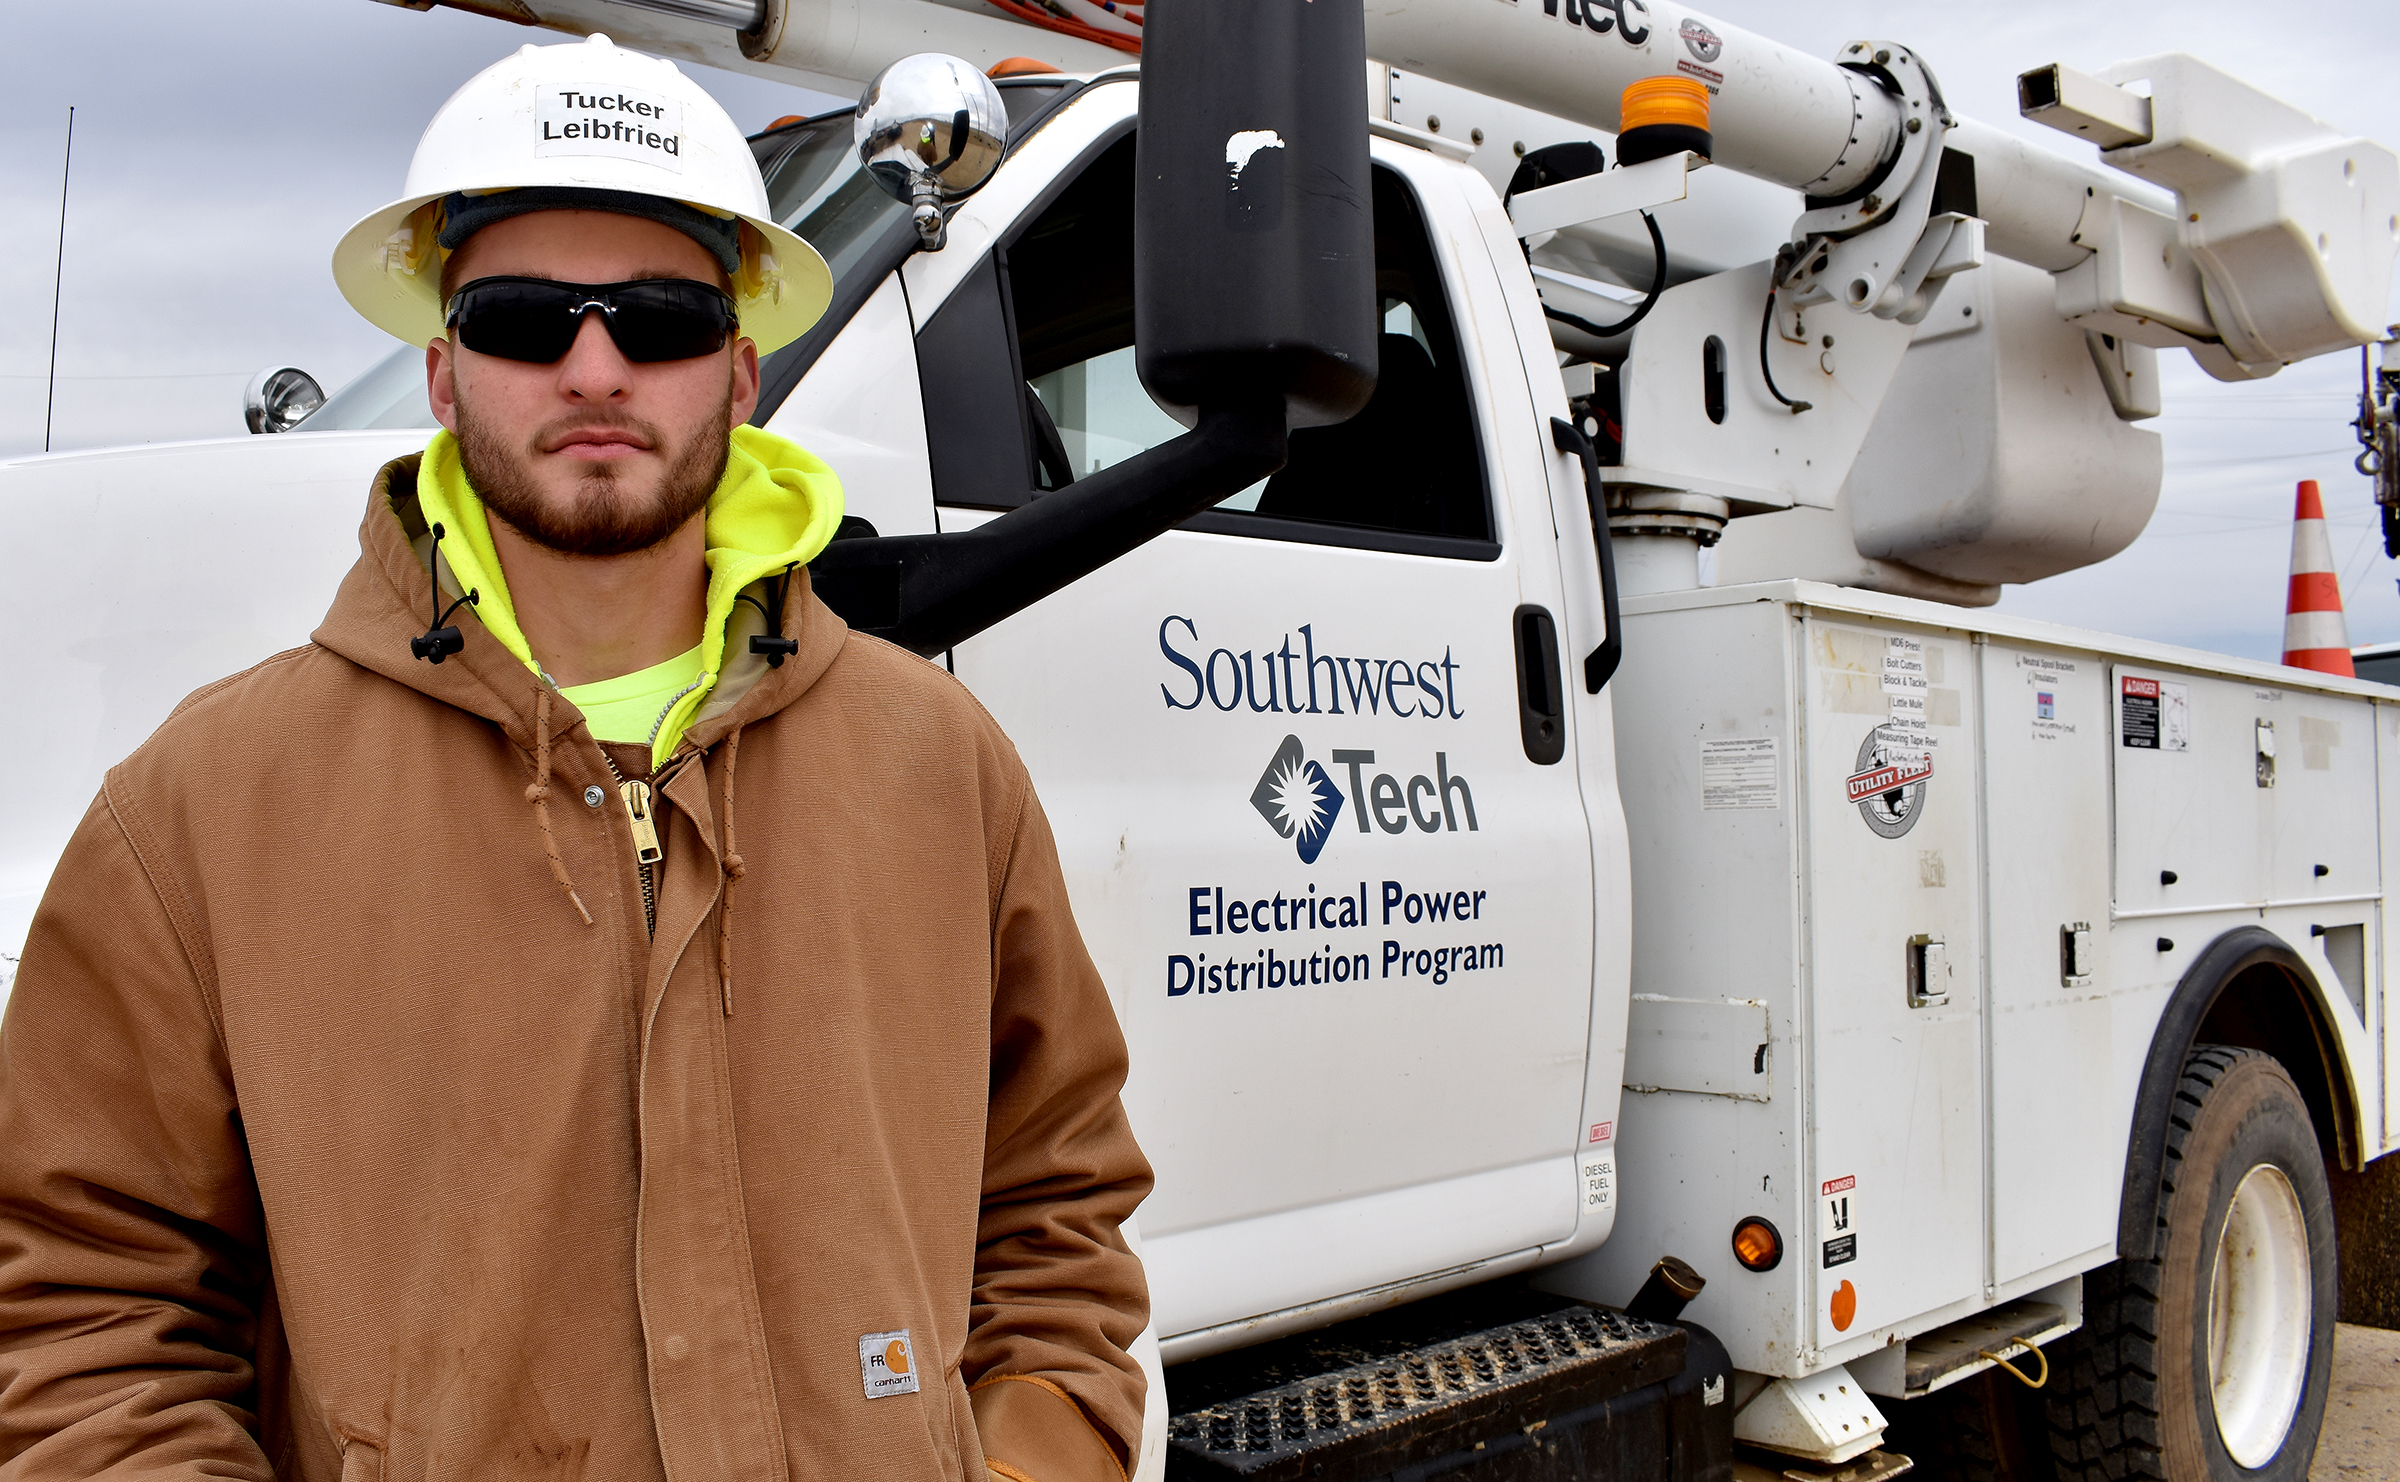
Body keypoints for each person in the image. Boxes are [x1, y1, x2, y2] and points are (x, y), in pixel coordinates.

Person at [0, 35, 1152, 1482]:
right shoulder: (201, 814)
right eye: (526, 315)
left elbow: (1057, 1216)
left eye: (659, 317)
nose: (593, 362)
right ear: (440, 369)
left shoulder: (945, 770)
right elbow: (90, 1317)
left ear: (738, 372)